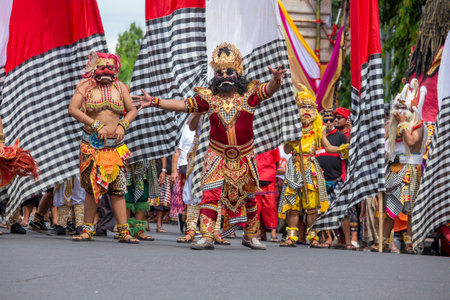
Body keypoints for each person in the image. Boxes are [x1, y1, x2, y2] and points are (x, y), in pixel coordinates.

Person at [133, 42, 286, 250]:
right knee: (210, 194)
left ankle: (250, 236)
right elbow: (182, 105)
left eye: (229, 71)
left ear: (238, 73)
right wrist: (155, 101)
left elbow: (269, 90)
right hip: (217, 154)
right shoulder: (209, 99)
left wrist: (276, 79)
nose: (224, 76)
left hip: (244, 154)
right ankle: (206, 235)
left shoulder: (249, 96)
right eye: (220, 72)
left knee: (249, 196)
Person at [68, 51, 138, 243]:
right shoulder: (85, 86)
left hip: (115, 146)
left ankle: (124, 232)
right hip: (91, 144)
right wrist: (95, 125)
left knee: (118, 188)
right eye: (101, 67)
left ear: (116, 70)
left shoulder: (121, 87)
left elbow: (132, 110)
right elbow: (72, 109)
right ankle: (87, 230)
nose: (106, 70)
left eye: (110, 67)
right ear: (95, 68)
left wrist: (123, 125)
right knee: (91, 188)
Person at [279, 85, 348, 248]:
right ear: (297, 110)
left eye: (310, 107)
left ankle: (313, 237)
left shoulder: (318, 129)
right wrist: (292, 138)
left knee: (311, 207)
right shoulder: (293, 129)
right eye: (303, 107)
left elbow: (329, 147)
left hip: (310, 167)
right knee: (293, 206)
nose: (307, 110)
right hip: (294, 167)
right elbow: (287, 150)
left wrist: (343, 149)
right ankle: (291, 237)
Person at [382, 79, 426, 254]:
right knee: (390, 210)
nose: (400, 113)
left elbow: (411, 141)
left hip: (411, 172)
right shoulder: (392, 127)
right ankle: (384, 241)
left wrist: (401, 123)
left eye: (404, 109)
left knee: (411, 211)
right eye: (398, 109)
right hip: (395, 171)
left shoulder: (417, 125)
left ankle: (410, 243)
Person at [316, 109, 350, 249]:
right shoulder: (316, 137)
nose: (329, 122)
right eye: (326, 119)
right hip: (319, 179)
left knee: (342, 211)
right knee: (322, 210)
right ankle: (328, 239)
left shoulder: (341, 136)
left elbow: (347, 151)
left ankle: (348, 241)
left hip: (337, 179)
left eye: (332, 119)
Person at [255, 148, 280, 242]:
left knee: (271, 207)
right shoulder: (252, 141)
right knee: (256, 207)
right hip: (255, 177)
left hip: (269, 177)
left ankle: (273, 232)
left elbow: (276, 162)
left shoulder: (274, 144)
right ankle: (259, 231)